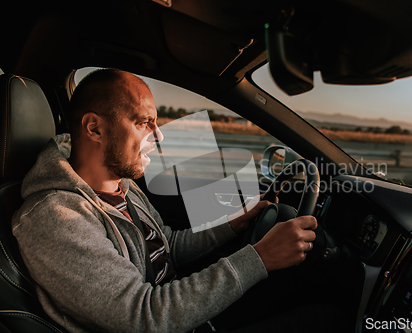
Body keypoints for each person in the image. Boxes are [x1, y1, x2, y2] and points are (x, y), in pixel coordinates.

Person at [11, 69, 321, 333]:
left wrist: (234, 222)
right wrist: (261, 257)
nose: (159, 137)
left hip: (186, 312)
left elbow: (166, 245)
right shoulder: (55, 217)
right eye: (144, 123)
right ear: (95, 128)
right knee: (322, 317)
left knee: (310, 286)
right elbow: (144, 316)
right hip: (169, 319)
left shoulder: (123, 186)